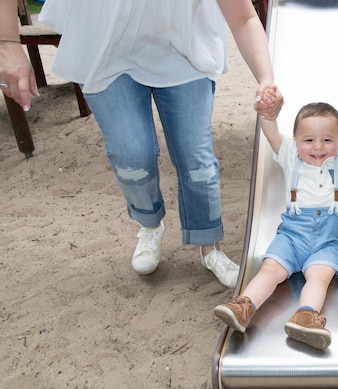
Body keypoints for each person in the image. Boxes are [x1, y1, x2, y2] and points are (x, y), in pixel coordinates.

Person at [1, 0, 284, 287]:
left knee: (195, 157)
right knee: (131, 155)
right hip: (105, 49)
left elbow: (243, 18)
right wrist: (9, 42)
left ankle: (209, 245)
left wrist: (266, 78)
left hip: (184, 49)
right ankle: (150, 223)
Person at [214, 89, 338, 350]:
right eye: (309, 140)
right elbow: (271, 133)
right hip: (290, 238)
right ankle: (244, 305)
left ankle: (305, 316)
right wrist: (268, 114)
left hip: (325, 243)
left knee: (319, 277)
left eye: (327, 139)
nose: (319, 147)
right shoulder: (289, 153)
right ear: (295, 141)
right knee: (270, 270)